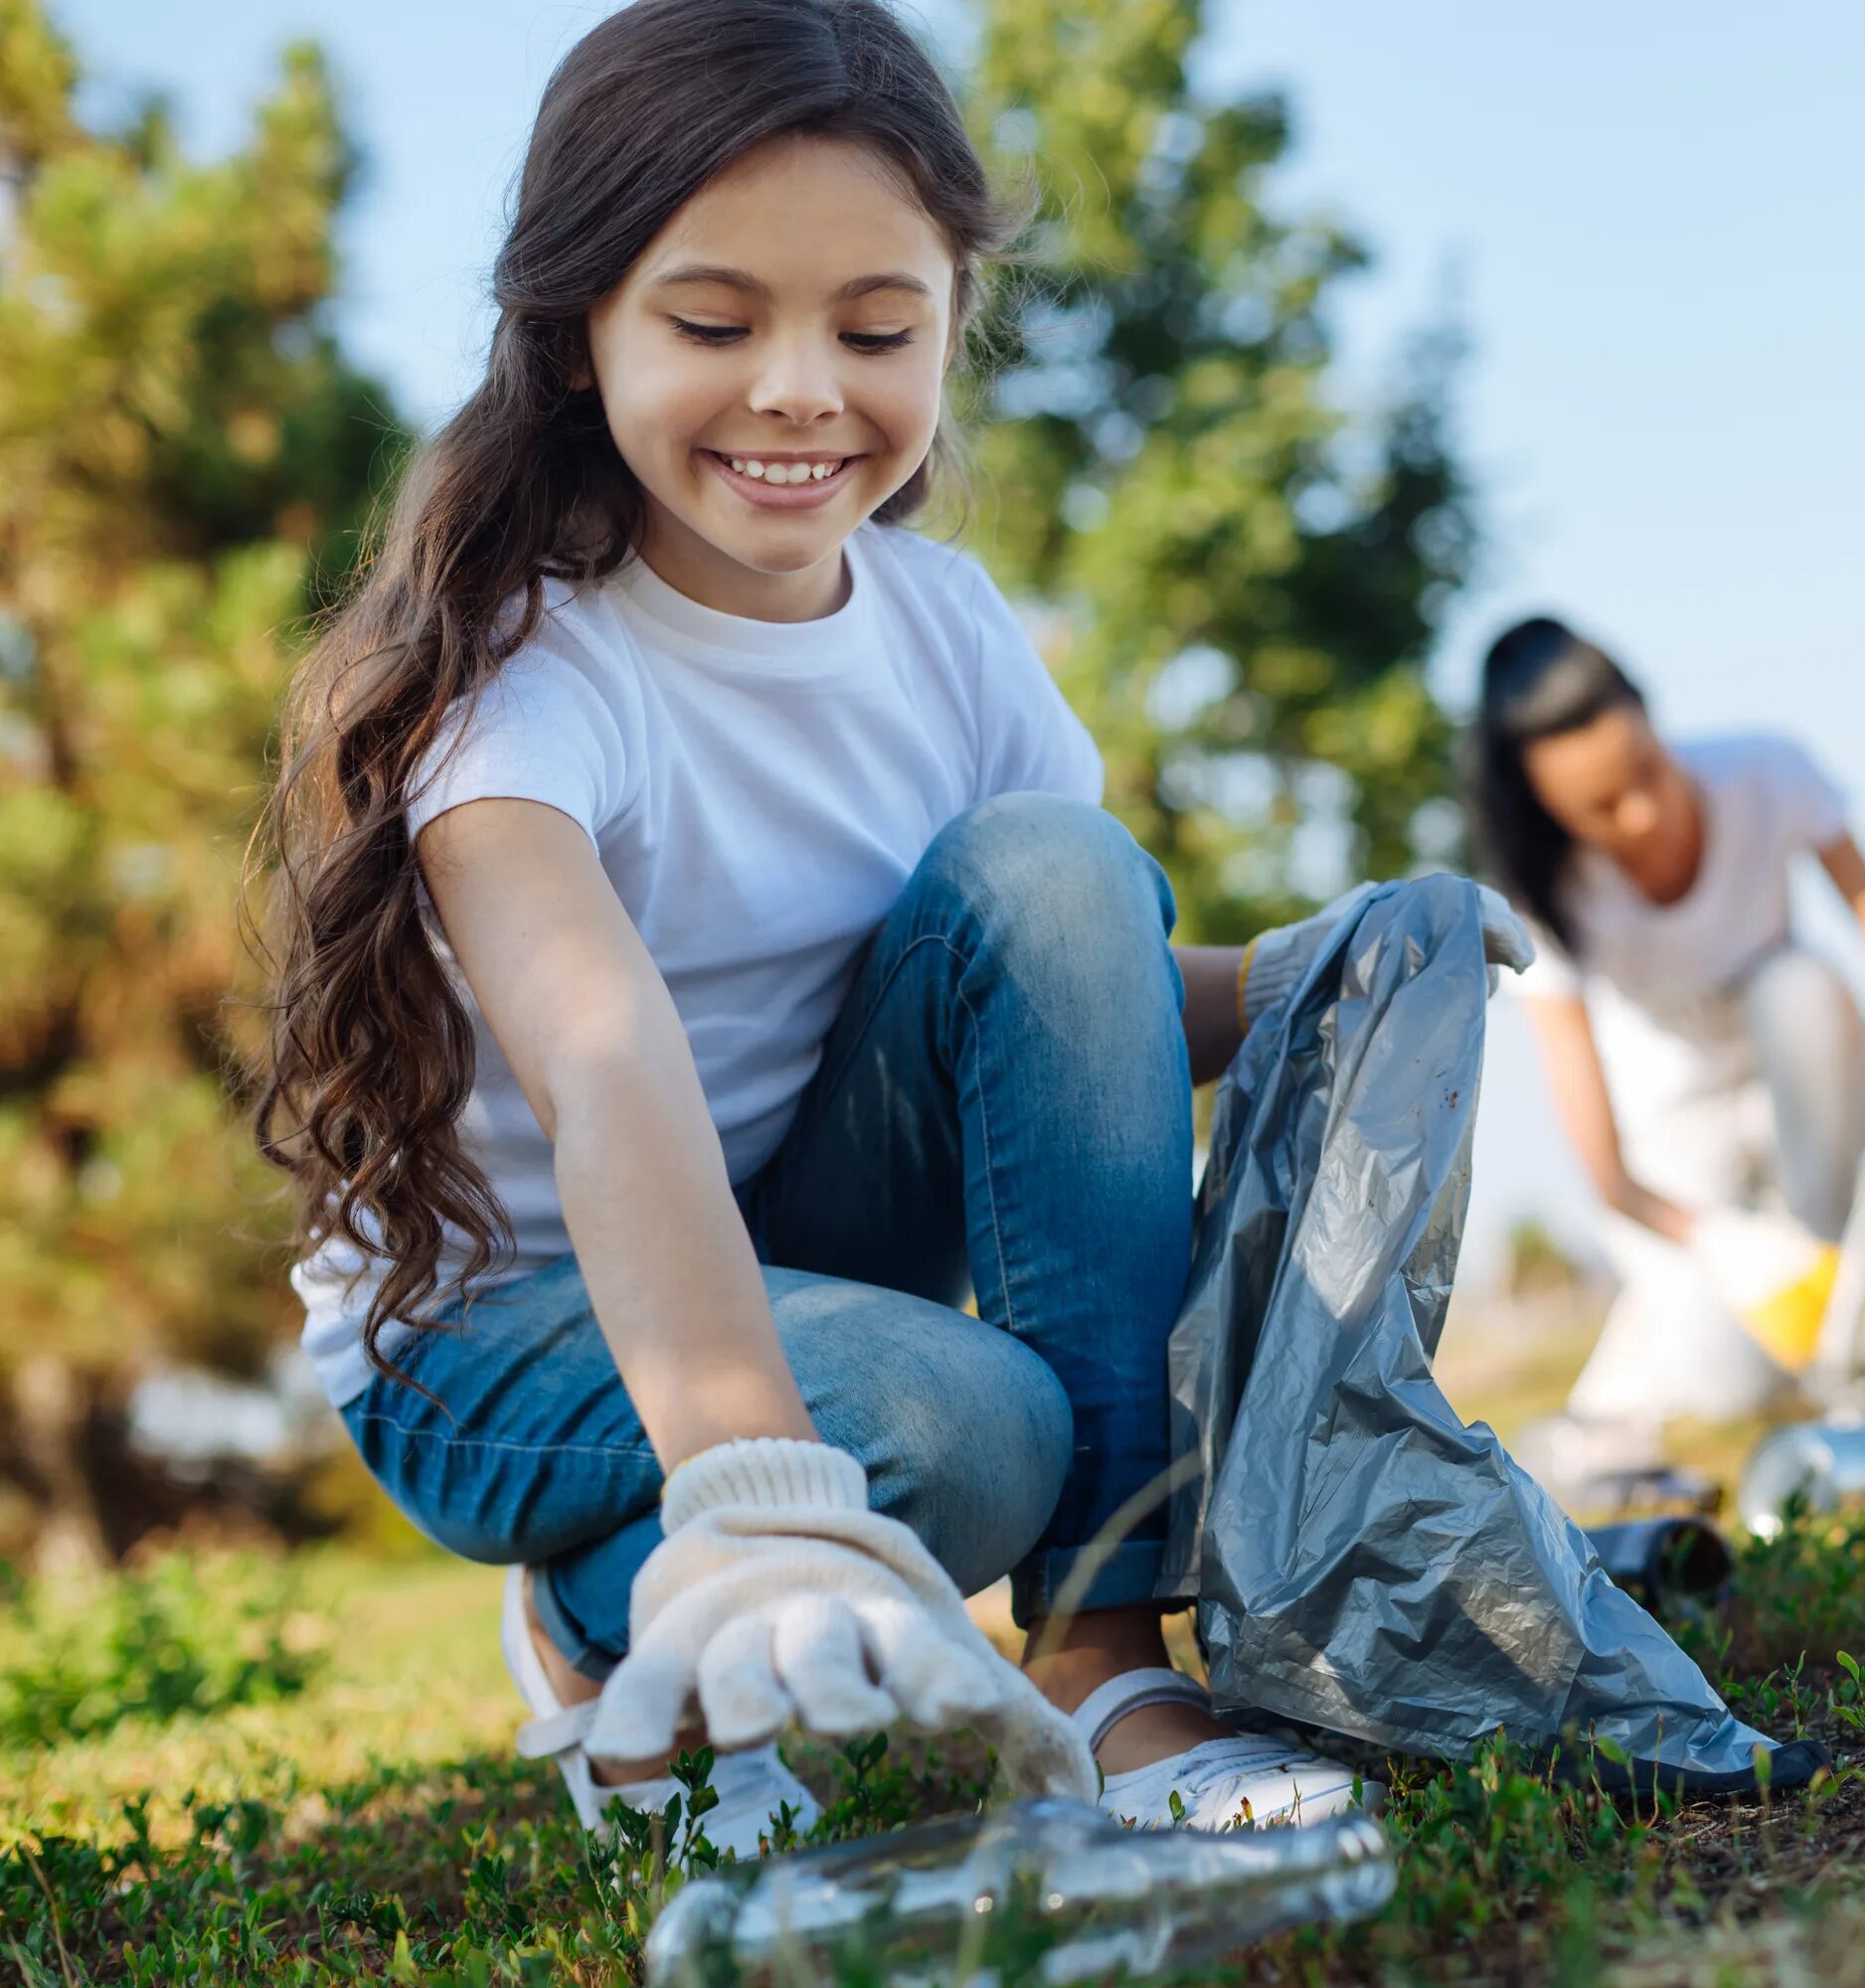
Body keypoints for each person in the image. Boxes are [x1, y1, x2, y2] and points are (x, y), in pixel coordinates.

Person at [255, 0, 1430, 1852]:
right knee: (970, 1429)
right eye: (715, 325)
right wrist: (744, 1480)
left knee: (1054, 866)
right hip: (501, 1326)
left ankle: (1107, 1654)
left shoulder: (947, 630)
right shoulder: (521, 676)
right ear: (579, 338)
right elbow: (601, 1050)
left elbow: (1087, 990)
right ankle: (606, 1604)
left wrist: (1335, 973)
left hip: (794, 1228)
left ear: (953, 322)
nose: (802, 390)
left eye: (875, 329)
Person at [1462, 618, 1865, 1485]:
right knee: (1727, 1385)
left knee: (1798, 986)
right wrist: (1725, 1245)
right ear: (1545, 805)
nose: (1637, 815)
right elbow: (1607, 1172)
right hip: (1679, 1159)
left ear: (1649, 714)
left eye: (1645, 775)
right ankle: (1657, 1371)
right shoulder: (1539, 894)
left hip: (1810, 1090)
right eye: (1599, 808)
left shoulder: (1764, 772)